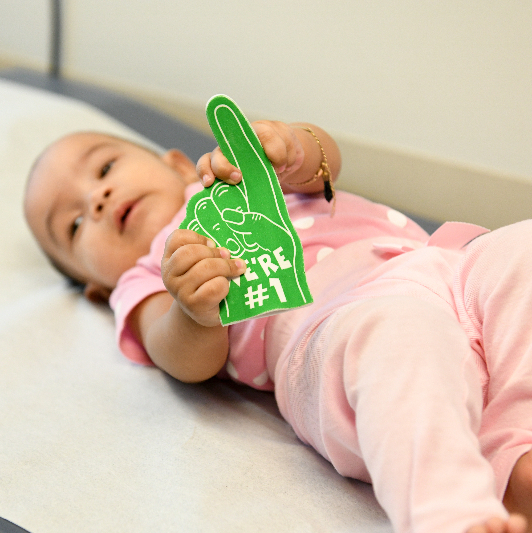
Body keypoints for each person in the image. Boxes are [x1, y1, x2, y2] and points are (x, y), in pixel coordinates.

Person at [23, 119, 532, 533]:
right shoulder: (148, 278)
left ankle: (515, 454)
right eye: (71, 225)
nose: (97, 198)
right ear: (95, 286)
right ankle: (452, 516)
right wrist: (193, 310)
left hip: (448, 265)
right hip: (336, 325)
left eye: (106, 166)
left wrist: (293, 148)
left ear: (175, 163)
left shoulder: (242, 177)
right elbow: (180, 356)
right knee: (400, 344)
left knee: (519, 251)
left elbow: (324, 163)